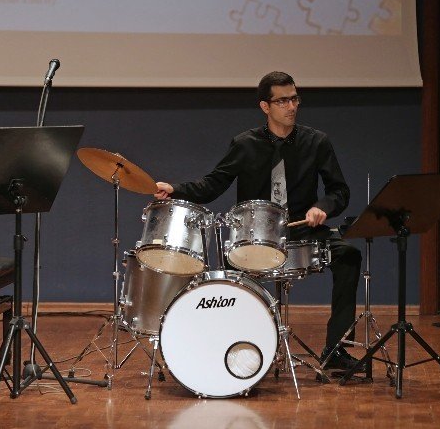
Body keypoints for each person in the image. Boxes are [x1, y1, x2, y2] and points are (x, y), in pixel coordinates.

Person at [155, 71, 364, 372]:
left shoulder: (316, 142)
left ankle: (336, 350)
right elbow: (213, 184)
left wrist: (321, 207)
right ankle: (236, 350)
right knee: (230, 278)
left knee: (349, 256)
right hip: (255, 237)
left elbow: (339, 191)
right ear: (265, 106)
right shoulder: (245, 144)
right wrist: (175, 189)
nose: (291, 106)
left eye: (294, 99)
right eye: (283, 101)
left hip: (303, 231)